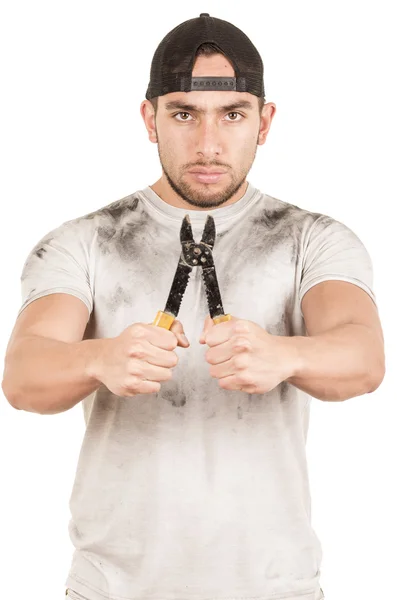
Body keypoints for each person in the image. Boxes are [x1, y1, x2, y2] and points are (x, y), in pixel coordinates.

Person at [2, 13, 385, 600]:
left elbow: (364, 358)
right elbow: (23, 376)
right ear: (149, 118)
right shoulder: (85, 240)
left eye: (233, 114)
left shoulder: (314, 238)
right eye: (184, 114)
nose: (208, 144)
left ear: (265, 121)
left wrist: (282, 354)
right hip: (113, 590)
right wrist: (100, 359)